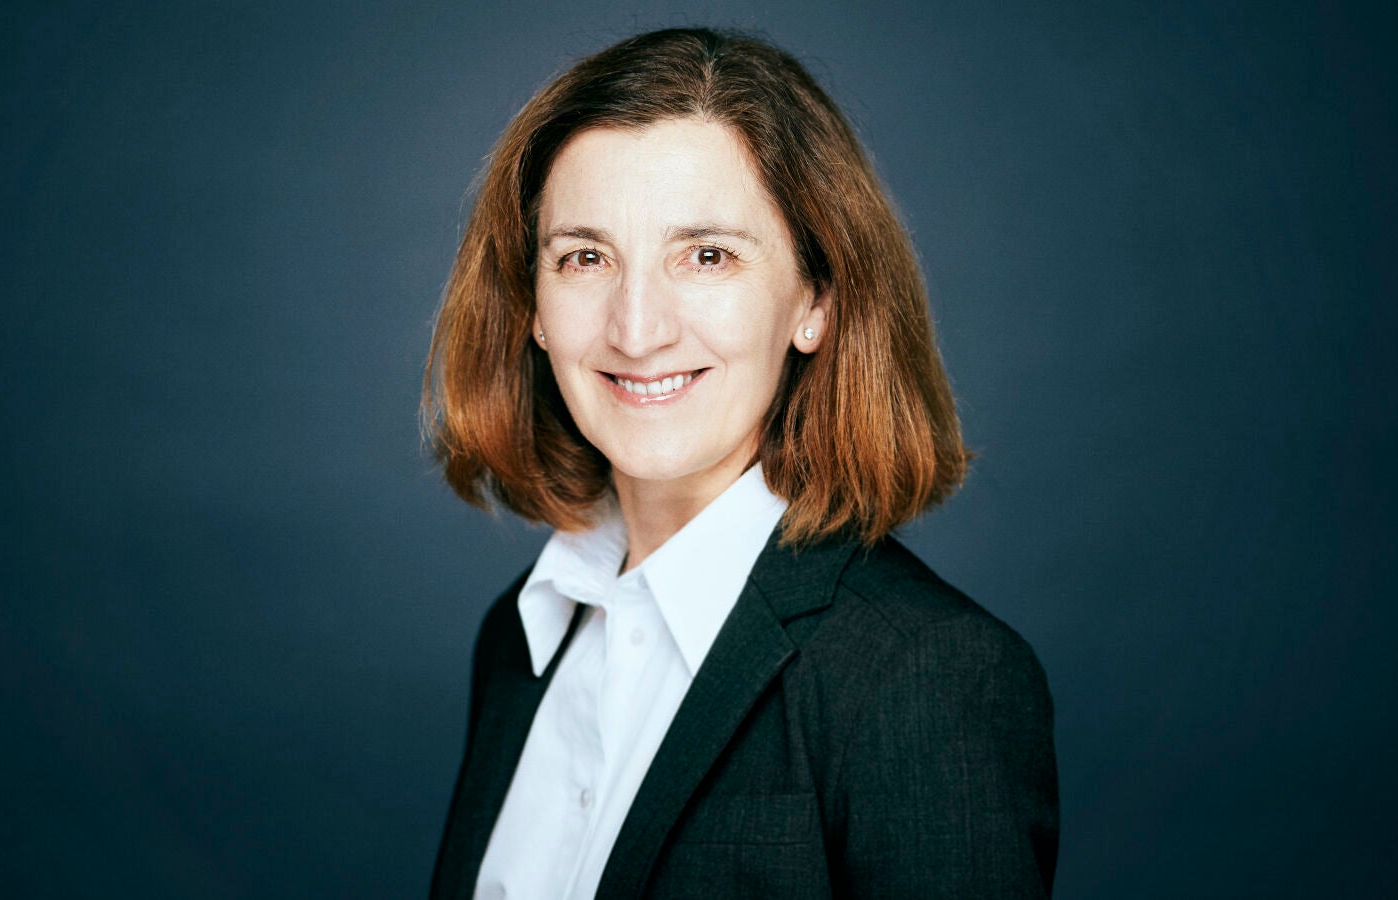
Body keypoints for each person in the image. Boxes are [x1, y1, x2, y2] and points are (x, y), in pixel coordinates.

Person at [425, 27, 1057, 899]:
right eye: (585, 257)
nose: (636, 330)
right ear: (532, 305)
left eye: (707, 256)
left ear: (814, 300)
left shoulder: (924, 676)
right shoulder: (524, 631)